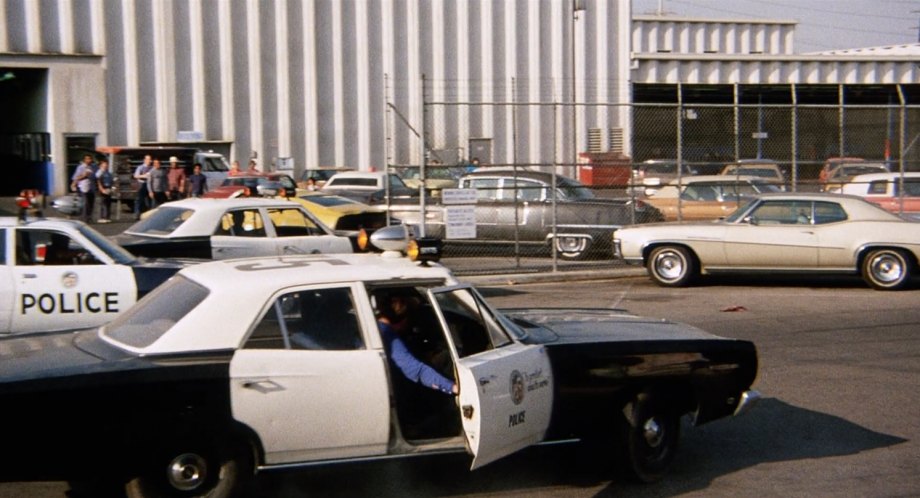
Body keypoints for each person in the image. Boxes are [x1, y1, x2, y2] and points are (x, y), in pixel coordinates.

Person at [376, 291, 457, 396]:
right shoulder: (387, 334)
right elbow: (416, 370)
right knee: (445, 357)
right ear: (402, 320)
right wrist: (452, 387)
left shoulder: (372, 326)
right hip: (400, 388)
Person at [71, 154, 97, 223]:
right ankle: (84, 218)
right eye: (87, 159)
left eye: (90, 159)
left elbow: (96, 177)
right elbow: (76, 177)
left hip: (92, 187)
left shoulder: (93, 167)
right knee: (85, 203)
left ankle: (89, 217)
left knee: (91, 203)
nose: (89, 160)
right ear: (84, 160)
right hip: (83, 187)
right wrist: (84, 176)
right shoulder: (81, 167)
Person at [133, 155, 153, 219]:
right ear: (144, 160)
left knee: (149, 200)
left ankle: (149, 215)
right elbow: (136, 176)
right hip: (141, 184)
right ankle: (137, 214)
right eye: (147, 159)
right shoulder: (140, 167)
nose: (149, 161)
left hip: (149, 185)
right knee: (139, 200)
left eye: (150, 159)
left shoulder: (151, 168)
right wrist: (144, 176)